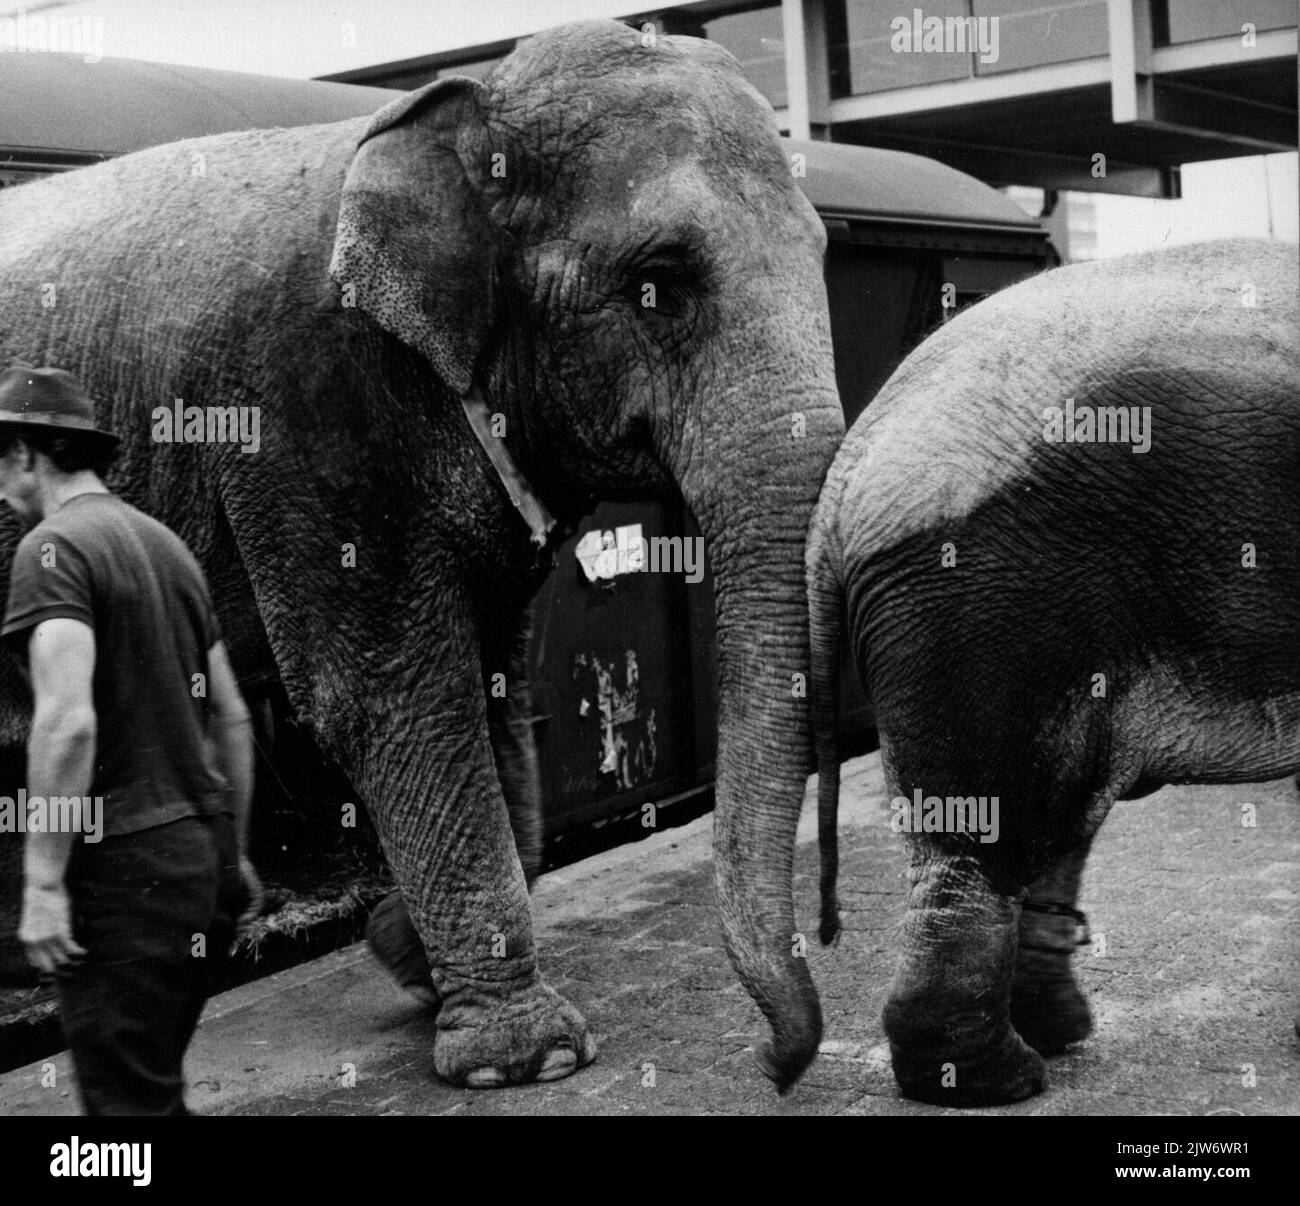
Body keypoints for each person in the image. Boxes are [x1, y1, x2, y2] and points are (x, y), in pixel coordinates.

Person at [0, 364, 261, 1116]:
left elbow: (66, 720)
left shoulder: (51, 551)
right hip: (196, 873)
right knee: (147, 1095)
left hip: (124, 880)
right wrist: (232, 855)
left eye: (1, 465)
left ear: (26, 453)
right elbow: (232, 716)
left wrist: (44, 882)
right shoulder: (167, 546)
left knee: (123, 1127)